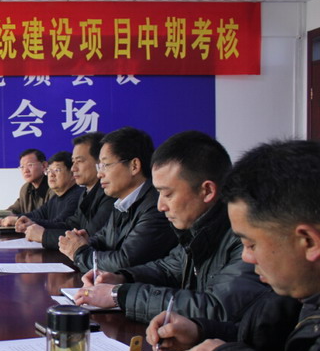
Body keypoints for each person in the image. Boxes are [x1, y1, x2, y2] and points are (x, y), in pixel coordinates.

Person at [146, 140, 319, 351]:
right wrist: (200, 331)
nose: (247, 258)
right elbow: (269, 338)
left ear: (307, 241)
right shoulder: (301, 293)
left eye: (250, 244)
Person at [72, 131, 271, 323]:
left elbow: (216, 308)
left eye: (167, 194)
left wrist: (119, 295)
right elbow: (168, 268)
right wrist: (121, 278)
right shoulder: (197, 227)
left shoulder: (246, 238)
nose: (161, 206)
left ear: (207, 191)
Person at [59, 127, 177, 273]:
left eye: (105, 165)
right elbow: (103, 239)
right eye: (99, 166)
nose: (100, 174)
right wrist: (84, 242)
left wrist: (79, 252)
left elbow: (125, 262)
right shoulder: (122, 202)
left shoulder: (156, 206)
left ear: (134, 166)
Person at [22, 133, 114, 247]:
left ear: (100, 162)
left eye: (79, 161)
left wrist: (44, 235)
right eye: (73, 162)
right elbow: (71, 225)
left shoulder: (109, 194)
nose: (73, 168)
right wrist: (32, 223)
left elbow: (89, 236)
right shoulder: (86, 193)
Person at [2, 151, 82, 229]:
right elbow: (36, 215)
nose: (51, 175)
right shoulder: (56, 198)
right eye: (49, 171)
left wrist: (19, 220)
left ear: (73, 174)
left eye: (57, 170)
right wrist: (7, 219)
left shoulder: (78, 196)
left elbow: (60, 224)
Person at [0, 148, 49, 224]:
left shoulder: (53, 188)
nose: (25, 170)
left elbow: (47, 217)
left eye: (30, 165)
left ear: (44, 165)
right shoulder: (25, 188)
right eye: (22, 167)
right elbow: (13, 211)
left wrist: (15, 218)